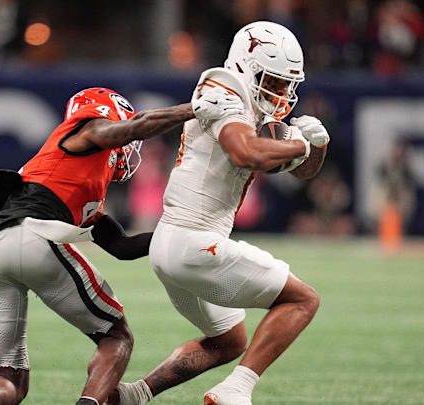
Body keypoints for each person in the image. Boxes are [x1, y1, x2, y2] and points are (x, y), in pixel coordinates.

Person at [0, 86, 244, 405]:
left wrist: (187, 237)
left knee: (9, 378)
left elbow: (123, 247)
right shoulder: (86, 128)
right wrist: (191, 109)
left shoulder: (73, 179)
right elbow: (131, 127)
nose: (131, 147)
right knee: (117, 338)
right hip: (35, 237)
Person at [110, 21, 329, 405]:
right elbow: (246, 152)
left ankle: (135, 394)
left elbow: (303, 173)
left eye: (287, 84)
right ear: (246, 65)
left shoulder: (257, 110)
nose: (281, 93)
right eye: (273, 81)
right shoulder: (224, 87)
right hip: (193, 241)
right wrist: (298, 147)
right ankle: (236, 389)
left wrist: (316, 147)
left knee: (230, 341)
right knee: (303, 300)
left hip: (173, 245)